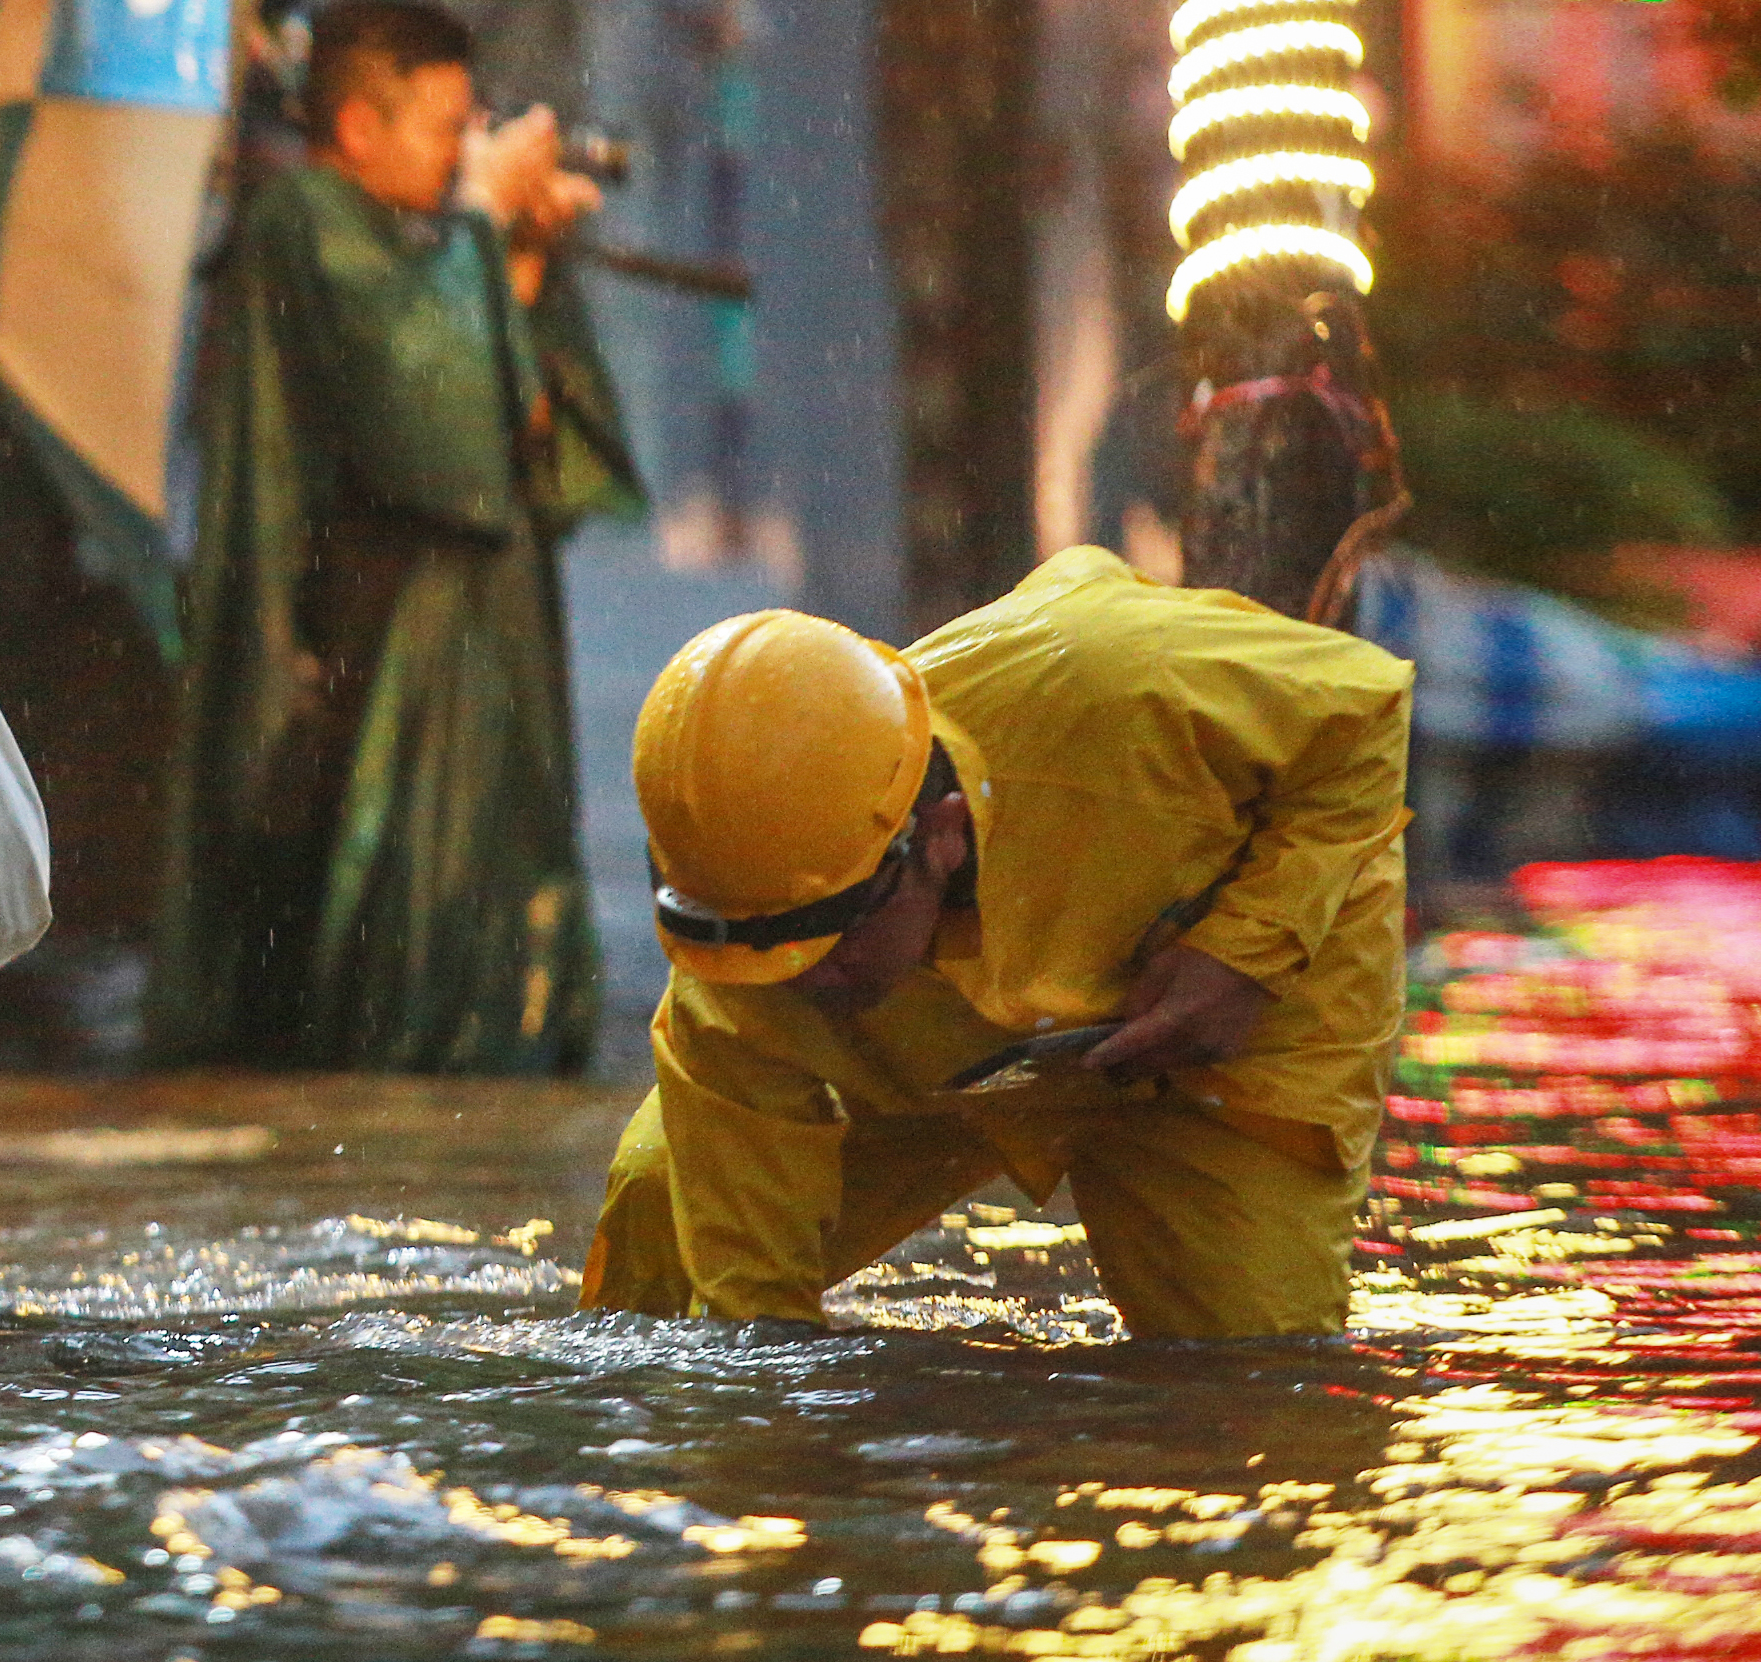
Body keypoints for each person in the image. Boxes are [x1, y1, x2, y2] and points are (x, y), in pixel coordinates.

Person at [579, 295, 1415, 1338]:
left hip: (1230, 1012)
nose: (799, 985)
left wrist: (1246, 953)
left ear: (928, 833)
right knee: (666, 1236)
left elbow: (1365, 712)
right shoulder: (748, 943)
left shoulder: (1112, 675)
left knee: (1248, 1385)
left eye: (829, 948)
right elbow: (755, 1326)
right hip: (946, 1061)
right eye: (766, 958)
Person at [147, 0, 637, 1074]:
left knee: (502, 913)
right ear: (359, 127)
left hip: (484, 624)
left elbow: (525, 449)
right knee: (395, 934)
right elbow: (428, 428)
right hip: (379, 630)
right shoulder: (302, 221)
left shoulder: (428, 235)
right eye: (443, 127)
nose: (465, 150)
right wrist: (474, 224)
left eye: (473, 128)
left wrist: (520, 270)